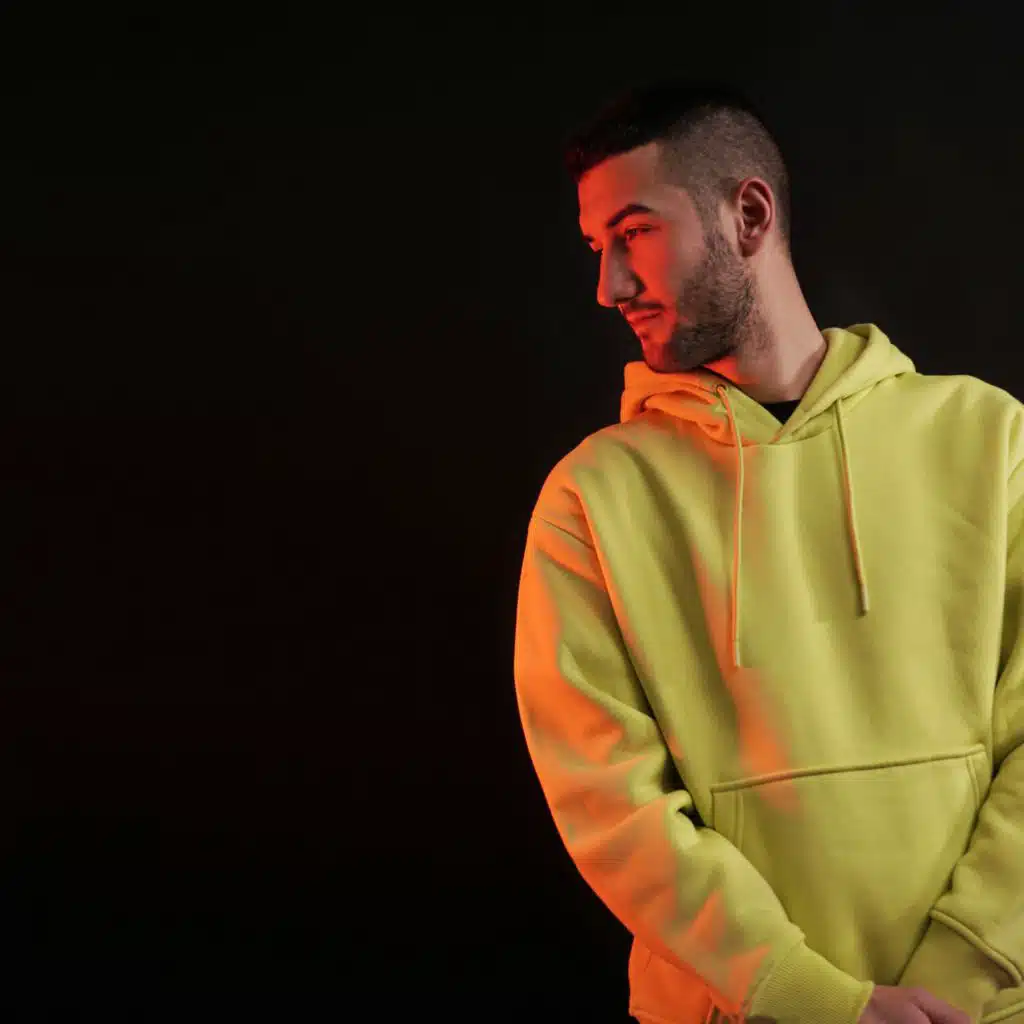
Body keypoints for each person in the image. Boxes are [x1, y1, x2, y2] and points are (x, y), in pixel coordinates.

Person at [512, 80, 1024, 1024]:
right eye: (597, 248)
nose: (609, 287)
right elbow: (610, 805)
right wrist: (809, 999)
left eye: (634, 233)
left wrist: (965, 976)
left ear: (748, 215)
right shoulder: (591, 498)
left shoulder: (990, 439)